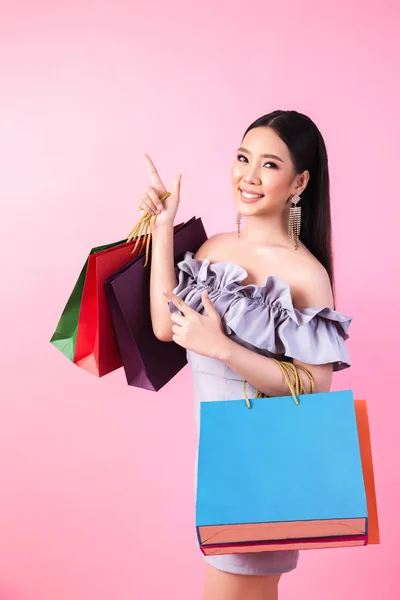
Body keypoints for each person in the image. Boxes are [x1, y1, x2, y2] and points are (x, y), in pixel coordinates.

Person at [138, 110, 351, 600]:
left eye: (269, 165)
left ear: (299, 182)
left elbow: (315, 387)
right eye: (242, 157)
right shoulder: (214, 248)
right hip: (216, 462)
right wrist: (162, 227)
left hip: (259, 464)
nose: (248, 176)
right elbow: (163, 327)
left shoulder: (305, 273)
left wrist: (224, 348)